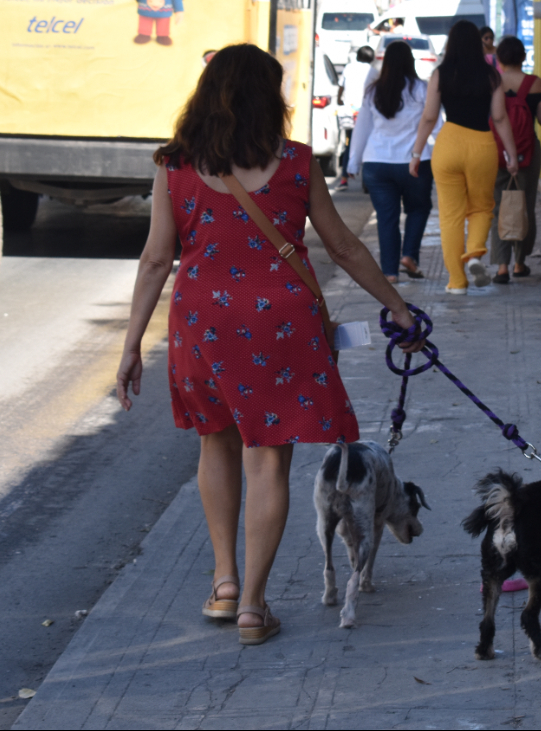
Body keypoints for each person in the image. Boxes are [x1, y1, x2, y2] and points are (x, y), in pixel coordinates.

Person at [115, 44, 423, 646]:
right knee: (268, 458)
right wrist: (398, 306)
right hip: (280, 325)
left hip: (202, 325)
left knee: (217, 442)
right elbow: (343, 247)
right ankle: (254, 608)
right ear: (269, 100)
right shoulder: (296, 163)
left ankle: (225, 582)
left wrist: (131, 346)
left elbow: (156, 259)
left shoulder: (174, 165)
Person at [410, 21, 519, 294]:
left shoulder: (441, 73)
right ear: (478, 43)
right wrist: (511, 154)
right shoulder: (492, 76)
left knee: (450, 216)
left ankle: (457, 282)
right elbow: (499, 117)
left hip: (448, 145)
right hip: (482, 145)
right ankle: (474, 255)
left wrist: (416, 153)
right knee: (482, 208)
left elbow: (429, 117)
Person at [347, 41, 443, 283]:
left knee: (386, 218)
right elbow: (436, 124)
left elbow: (362, 127)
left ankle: (389, 272)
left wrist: (353, 163)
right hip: (415, 161)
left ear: (385, 63)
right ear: (411, 62)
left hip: (376, 162)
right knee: (419, 209)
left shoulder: (372, 91)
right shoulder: (421, 89)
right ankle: (409, 255)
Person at [489, 36, 541, 283]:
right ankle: (519, 263)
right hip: (527, 153)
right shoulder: (535, 84)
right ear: (524, 57)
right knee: (524, 204)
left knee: (498, 207)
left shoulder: (492, 83)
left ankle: (501, 266)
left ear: (499, 59)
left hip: (496, 151)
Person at [336, 45, 375, 191]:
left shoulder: (348, 68)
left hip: (350, 113)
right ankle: (366, 181)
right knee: (367, 145)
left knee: (350, 145)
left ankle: (344, 179)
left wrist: (340, 100)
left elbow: (341, 87)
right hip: (366, 114)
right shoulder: (374, 72)